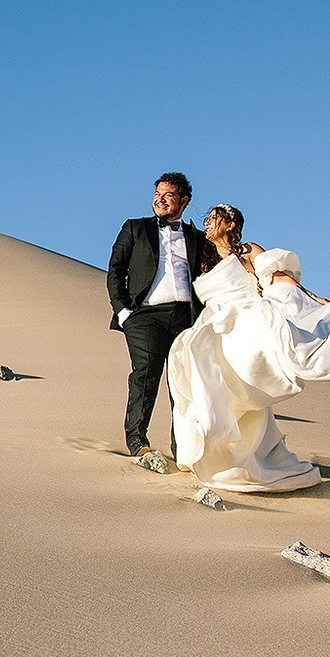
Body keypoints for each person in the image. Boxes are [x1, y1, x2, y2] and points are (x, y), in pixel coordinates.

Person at [166, 203, 330, 492]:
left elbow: (276, 279)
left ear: (231, 224)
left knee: (241, 383)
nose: (209, 224)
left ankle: (252, 455)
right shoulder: (202, 256)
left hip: (247, 320)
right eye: (208, 219)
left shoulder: (249, 251)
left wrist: (311, 296)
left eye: (215, 219)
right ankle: (208, 447)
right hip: (215, 323)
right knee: (192, 359)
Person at [107, 172, 209, 467]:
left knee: (183, 383)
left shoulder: (196, 238)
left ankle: (184, 449)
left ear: (184, 200)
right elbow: (116, 270)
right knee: (147, 372)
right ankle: (137, 440)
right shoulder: (135, 228)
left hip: (186, 318)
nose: (160, 199)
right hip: (144, 315)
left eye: (168, 194)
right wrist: (124, 312)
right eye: (157, 194)